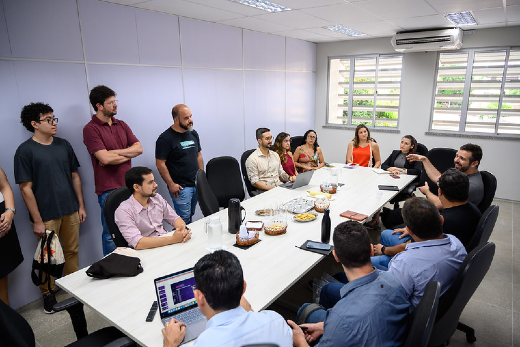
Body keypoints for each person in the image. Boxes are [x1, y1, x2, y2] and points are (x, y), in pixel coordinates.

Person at [288, 221, 410, 347]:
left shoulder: (341, 318)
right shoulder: (394, 281)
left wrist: (300, 341)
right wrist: (324, 326)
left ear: (336, 256)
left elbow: (346, 324)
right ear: (371, 251)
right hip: (388, 338)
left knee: (306, 309)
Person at [15, 102, 87, 313]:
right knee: (48, 258)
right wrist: (37, 220)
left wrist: (80, 206)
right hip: (45, 215)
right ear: (34, 124)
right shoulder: (25, 151)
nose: (54, 123)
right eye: (49, 120)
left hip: (70, 209)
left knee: (72, 251)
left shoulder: (64, 145)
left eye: (54, 118)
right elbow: (25, 188)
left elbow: (75, 176)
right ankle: (48, 294)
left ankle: (75, 289)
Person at [161, 250, 292, 347]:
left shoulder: (203, 343)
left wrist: (169, 343)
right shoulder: (276, 321)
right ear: (243, 288)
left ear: (199, 297)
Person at [372, 169, 481, 270]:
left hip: (419, 259)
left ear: (440, 192)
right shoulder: (473, 209)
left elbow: (409, 246)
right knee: (386, 233)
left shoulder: (444, 220)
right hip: (441, 254)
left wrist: (384, 250)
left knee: (368, 261)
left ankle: (390, 262)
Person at [83, 85, 143, 256]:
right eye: (110, 103)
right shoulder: (90, 129)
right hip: (108, 189)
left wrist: (114, 152)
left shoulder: (121, 124)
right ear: (99, 106)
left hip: (130, 186)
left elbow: (139, 149)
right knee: (111, 234)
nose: (115, 105)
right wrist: (126, 154)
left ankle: (132, 261)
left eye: (115, 101)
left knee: (133, 228)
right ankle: (112, 268)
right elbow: (104, 159)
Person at [114, 167, 191, 250]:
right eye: (150, 182)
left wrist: (183, 232)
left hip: (166, 243)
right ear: (136, 187)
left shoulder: (157, 198)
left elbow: (174, 219)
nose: (155, 185)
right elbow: (138, 243)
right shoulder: (123, 211)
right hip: (146, 250)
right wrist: (173, 239)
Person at [156, 104, 203, 224]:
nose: (190, 120)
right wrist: (171, 184)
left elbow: (198, 155)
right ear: (176, 119)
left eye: (191, 116)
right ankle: (182, 239)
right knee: (183, 219)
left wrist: (201, 176)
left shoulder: (193, 133)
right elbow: (160, 163)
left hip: (196, 184)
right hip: (181, 188)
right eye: (186, 118)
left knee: (191, 214)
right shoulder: (165, 138)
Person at [407, 143, 484, 208]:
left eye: (462, 158)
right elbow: (439, 179)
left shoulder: (470, 186)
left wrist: (427, 192)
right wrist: (424, 160)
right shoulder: (462, 175)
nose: (456, 160)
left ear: (474, 163)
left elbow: (440, 205)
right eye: (457, 156)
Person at [245, 128, 295, 192]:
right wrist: (272, 189)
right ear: (259, 141)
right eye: (267, 139)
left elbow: (281, 173)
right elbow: (255, 182)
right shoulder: (252, 159)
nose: (270, 141)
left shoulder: (275, 155)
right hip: (265, 191)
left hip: (280, 187)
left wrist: (289, 178)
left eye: (271, 138)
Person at [0, 167, 23, 306]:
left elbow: (4, 185)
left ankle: (8, 323)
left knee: (2, 273)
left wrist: (10, 211)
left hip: (2, 218)